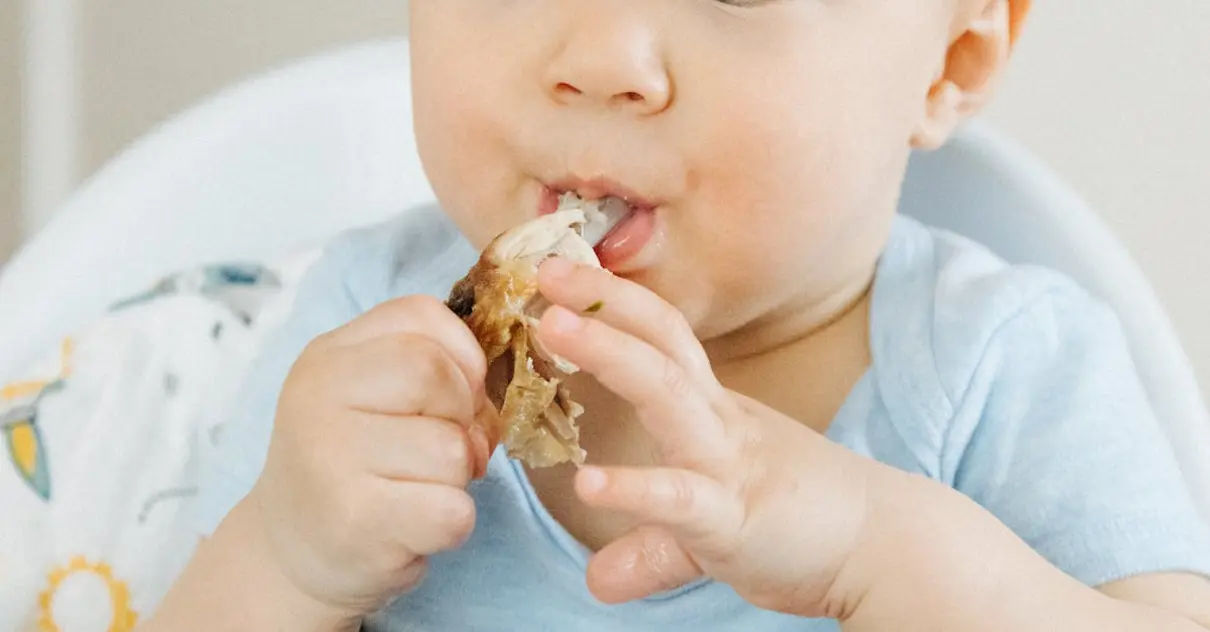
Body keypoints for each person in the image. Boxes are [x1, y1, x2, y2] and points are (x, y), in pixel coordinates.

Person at [141, 1, 1210, 630]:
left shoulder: (1005, 369)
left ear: (950, 60)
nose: (601, 56)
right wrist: (283, 556)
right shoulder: (363, 334)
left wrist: (867, 546)